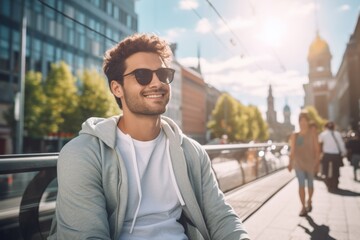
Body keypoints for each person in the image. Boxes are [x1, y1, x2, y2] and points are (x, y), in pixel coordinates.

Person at [48, 33, 250, 240]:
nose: (157, 83)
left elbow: (220, 216)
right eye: (142, 75)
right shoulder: (83, 154)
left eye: (163, 74)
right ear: (117, 88)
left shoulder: (191, 151)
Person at [288, 111, 320, 216]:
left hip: (310, 164)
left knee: (310, 185)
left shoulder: (313, 134)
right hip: (298, 165)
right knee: (301, 185)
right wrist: (290, 163)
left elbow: (317, 150)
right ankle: (303, 207)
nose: (302, 123)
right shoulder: (295, 135)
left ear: (308, 121)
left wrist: (317, 163)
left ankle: (309, 200)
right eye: (300, 121)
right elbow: (292, 151)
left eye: (304, 121)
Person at [318, 121, 347, 192]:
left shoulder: (323, 134)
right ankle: (335, 184)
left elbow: (319, 142)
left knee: (326, 170)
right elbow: (341, 144)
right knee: (336, 170)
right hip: (335, 155)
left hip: (327, 155)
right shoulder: (337, 134)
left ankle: (328, 184)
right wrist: (344, 152)